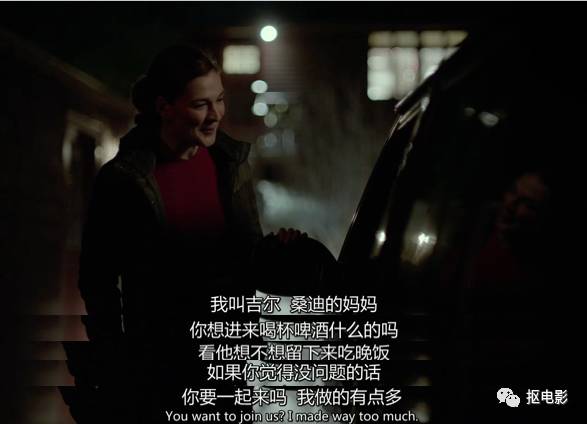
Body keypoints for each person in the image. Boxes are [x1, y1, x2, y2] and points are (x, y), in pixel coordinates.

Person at [76, 44, 263, 422]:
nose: (216, 115)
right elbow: (97, 280)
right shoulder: (124, 180)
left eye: (220, 100)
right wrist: (116, 363)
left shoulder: (232, 167)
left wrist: (282, 251)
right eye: (200, 105)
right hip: (158, 372)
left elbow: (251, 258)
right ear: (164, 107)